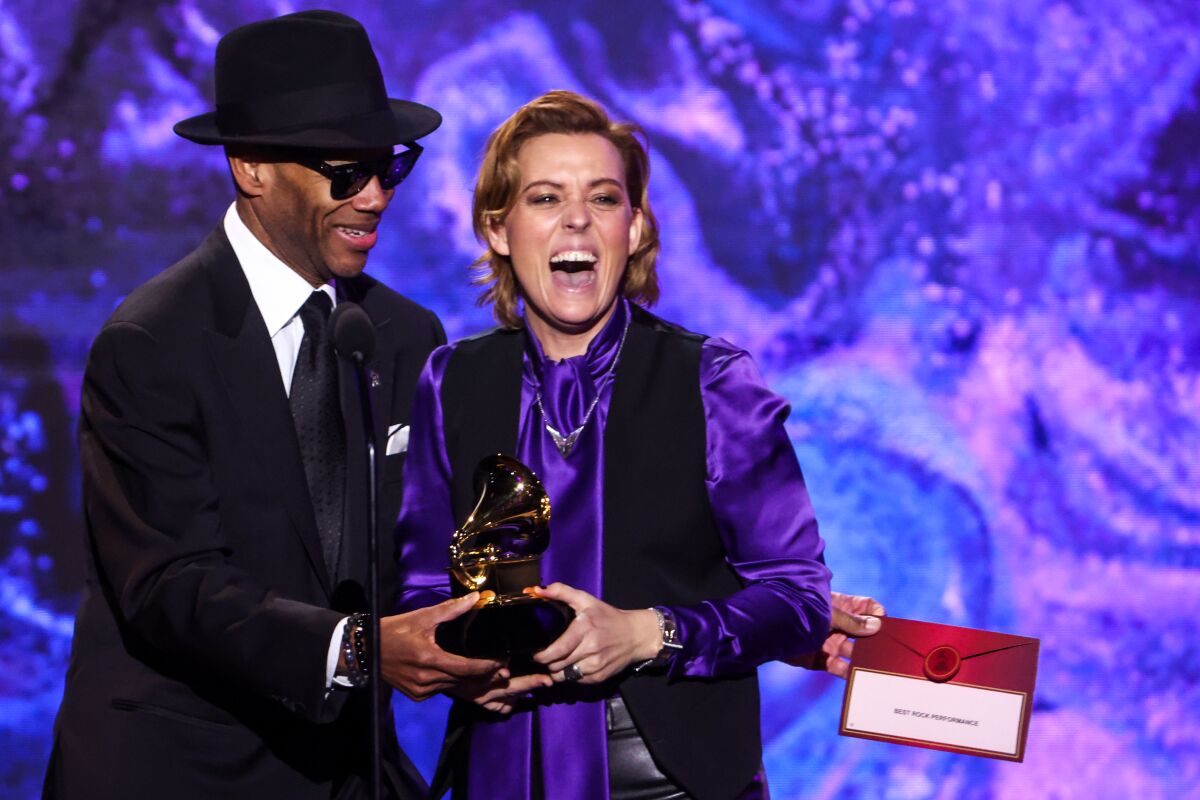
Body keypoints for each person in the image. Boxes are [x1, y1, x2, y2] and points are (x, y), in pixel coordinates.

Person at [44, 11, 500, 799]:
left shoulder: (402, 334)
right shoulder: (151, 341)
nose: (377, 197)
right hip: (182, 771)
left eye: (390, 168)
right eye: (346, 173)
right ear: (251, 167)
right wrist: (357, 649)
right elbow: (171, 586)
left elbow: (420, 546)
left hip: (346, 770)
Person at [395, 90, 879, 800]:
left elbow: (799, 597)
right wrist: (473, 662)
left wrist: (654, 633)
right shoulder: (452, 381)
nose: (576, 221)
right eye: (545, 198)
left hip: (672, 782)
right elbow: (423, 592)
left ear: (636, 225)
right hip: (499, 772)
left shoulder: (714, 381)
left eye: (603, 198)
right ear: (497, 230)